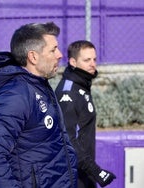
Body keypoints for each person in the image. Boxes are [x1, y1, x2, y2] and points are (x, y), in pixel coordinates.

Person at [0, 22, 77, 188]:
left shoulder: (39, 84)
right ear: (33, 57)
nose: (59, 55)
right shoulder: (16, 94)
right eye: (53, 50)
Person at [55, 40, 116, 188]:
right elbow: (67, 138)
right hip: (71, 176)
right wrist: (96, 171)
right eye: (87, 60)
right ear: (73, 62)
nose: (92, 64)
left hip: (83, 172)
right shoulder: (68, 93)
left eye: (94, 59)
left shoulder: (81, 84)